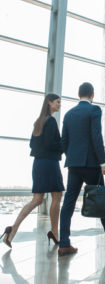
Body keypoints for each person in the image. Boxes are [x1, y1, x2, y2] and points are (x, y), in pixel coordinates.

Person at [58, 82, 105, 256]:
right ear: (92, 94)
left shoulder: (69, 114)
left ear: (79, 95)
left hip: (74, 165)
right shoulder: (94, 110)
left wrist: (71, 157)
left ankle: (64, 243)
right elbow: (96, 137)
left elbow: (64, 143)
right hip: (91, 164)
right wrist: (104, 163)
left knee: (68, 203)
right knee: (101, 199)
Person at [1, 94, 64, 248]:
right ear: (49, 102)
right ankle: (55, 232)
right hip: (49, 163)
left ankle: (12, 230)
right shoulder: (52, 122)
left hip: (38, 164)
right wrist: (64, 144)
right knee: (57, 195)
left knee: (37, 199)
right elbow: (51, 144)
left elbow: (31, 145)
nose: (59, 104)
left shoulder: (39, 122)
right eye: (57, 102)